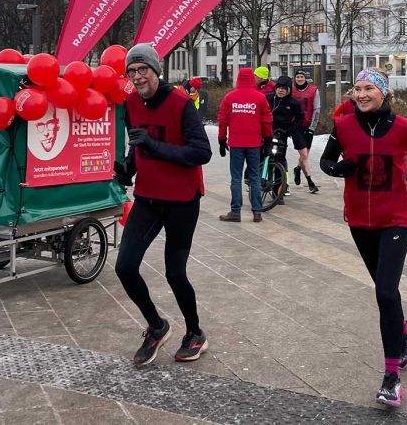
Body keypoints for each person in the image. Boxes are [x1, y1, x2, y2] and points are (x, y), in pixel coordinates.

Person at [320, 68, 407, 408]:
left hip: (397, 217)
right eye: (357, 88)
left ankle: (391, 378)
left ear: (384, 93)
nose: (361, 94)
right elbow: (326, 160)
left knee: (384, 292)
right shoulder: (343, 126)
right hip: (360, 219)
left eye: (369, 88)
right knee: (388, 292)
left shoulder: (405, 128)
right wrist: (337, 169)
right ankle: (403, 332)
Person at [112, 43, 213, 366]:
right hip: (148, 197)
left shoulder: (181, 103)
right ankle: (157, 327)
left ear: (156, 70)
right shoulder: (130, 103)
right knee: (125, 267)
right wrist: (127, 170)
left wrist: (154, 147)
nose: (138, 76)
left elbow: (202, 153)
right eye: (132, 71)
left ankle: (195, 333)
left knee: (174, 273)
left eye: (143, 69)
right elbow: (138, 144)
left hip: (182, 200)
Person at [217, 68, 273, 223]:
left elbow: (222, 120)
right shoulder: (260, 98)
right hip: (254, 144)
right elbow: (267, 121)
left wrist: (221, 140)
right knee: (255, 177)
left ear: (238, 78)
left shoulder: (229, 97)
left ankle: (235, 211)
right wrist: (268, 139)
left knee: (236, 177)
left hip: (236, 144)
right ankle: (257, 212)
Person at [266, 76, 304, 203]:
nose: (280, 90)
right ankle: (256, 182)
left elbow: (300, 119)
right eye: (278, 88)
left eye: (283, 88)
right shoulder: (268, 99)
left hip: (281, 135)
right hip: (266, 133)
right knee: (260, 156)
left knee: (279, 162)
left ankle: (278, 193)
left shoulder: (293, 103)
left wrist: (289, 130)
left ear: (288, 90)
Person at [289, 70, 320, 194]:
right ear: (295, 78)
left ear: (305, 78)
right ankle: (310, 182)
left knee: (304, 155)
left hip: (308, 126)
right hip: (296, 126)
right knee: (304, 155)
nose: (300, 79)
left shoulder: (313, 90)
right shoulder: (291, 91)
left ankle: (297, 169)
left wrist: (313, 127)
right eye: (297, 76)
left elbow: (317, 109)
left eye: (302, 76)